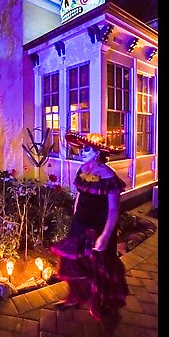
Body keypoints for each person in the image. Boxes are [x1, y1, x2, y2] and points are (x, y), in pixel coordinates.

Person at [51, 132, 129, 321]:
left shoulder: (109, 176)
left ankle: (99, 303)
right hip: (80, 223)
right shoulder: (83, 168)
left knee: (99, 266)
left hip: (99, 227)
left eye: (86, 149)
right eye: (81, 148)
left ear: (97, 152)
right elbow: (79, 195)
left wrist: (105, 236)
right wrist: (76, 212)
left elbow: (113, 210)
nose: (81, 151)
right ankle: (75, 296)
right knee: (73, 261)